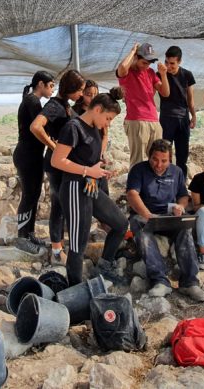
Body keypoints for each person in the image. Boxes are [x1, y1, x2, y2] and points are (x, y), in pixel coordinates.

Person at [51, 89, 130, 287]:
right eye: (108, 118)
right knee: (78, 244)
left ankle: (104, 267)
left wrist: (100, 166)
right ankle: (76, 289)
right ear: (97, 109)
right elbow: (57, 160)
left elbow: (87, 156)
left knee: (120, 224)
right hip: (74, 189)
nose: (108, 124)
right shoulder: (73, 127)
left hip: (91, 187)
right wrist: (88, 170)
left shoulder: (94, 126)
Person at [125, 140, 204, 302]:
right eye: (155, 159)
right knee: (141, 230)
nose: (159, 164)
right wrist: (148, 215)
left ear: (170, 159)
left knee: (185, 229)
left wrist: (180, 206)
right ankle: (160, 280)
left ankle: (189, 282)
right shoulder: (138, 170)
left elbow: (183, 196)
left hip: (168, 216)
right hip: (145, 215)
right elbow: (132, 194)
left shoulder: (176, 172)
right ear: (149, 157)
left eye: (164, 161)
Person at [30, 70, 86, 264]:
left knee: (66, 204)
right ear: (69, 88)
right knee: (59, 205)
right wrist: (53, 146)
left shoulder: (65, 105)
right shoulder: (54, 106)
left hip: (65, 164)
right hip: (56, 165)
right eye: (79, 90)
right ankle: (56, 249)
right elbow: (36, 126)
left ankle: (66, 246)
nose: (81, 94)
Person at [13, 71, 55, 254]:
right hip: (27, 155)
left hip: (32, 155)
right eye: (51, 85)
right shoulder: (33, 101)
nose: (52, 89)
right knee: (29, 195)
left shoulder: (33, 101)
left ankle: (29, 233)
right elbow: (39, 127)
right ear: (41, 84)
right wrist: (53, 144)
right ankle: (22, 237)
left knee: (34, 194)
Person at [115, 42, 169, 166]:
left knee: (157, 160)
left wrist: (164, 75)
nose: (147, 66)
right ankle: (135, 185)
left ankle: (152, 185)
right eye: (144, 62)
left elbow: (165, 93)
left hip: (154, 120)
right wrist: (133, 51)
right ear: (135, 58)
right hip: (137, 120)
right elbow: (122, 67)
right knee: (138, 161)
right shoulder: (127, 73)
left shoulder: (150, 73)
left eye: (149, 63)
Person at [158, 46, 197, 177]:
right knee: (164, 152)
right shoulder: (160, 74)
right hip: (166, 118)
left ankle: (181, 181)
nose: (168, 66)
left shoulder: (187, 75)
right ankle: (164, 179)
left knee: (182, 154)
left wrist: (194, 116)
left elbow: (190, 99)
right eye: (166, 62)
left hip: (183, 119)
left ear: (179, 61)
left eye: (172, 64)